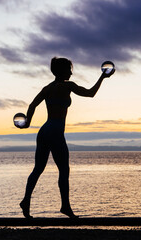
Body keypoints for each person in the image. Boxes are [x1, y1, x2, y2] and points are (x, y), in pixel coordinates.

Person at [19, 57, 115, 219]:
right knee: (64, 170)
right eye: (69, 69)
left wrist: (27, 122)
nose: (71, 72)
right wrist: (102, 77)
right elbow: (90, 93)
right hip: (56, 131)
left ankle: (26, 201)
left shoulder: (47, 88)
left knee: (38, 169)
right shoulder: (68, 86)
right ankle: (65, 206)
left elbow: (32, 105)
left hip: (44, 130)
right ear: (62, 71)